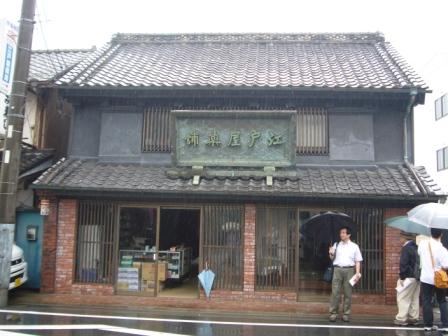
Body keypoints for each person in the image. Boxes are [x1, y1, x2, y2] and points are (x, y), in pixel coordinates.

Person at [328, 226, 363, 322]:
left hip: (349, 271)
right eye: (340, 233)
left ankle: (346, 314)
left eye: (343, 233)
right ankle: (333, 313)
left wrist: (357, 273)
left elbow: (358, 261)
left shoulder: (354, 246)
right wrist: (330, 253)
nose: (341, 234)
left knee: (348, 293)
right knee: (335, 292)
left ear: (349, 234)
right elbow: (332, 258)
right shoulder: (336, 244)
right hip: (337, 270)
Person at [418, 228, 448, 331]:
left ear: (430, 233)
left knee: (426, 301)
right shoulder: (442, 249)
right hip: (439, 278)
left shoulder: (422, 244)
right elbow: (446, 266)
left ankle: (428, 325)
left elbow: (419, 254)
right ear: (441, 235)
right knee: (442, 300)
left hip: (425, 278)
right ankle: (445, 325)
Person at [394, 231, 420, 326]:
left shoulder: (406, 248)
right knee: (414, 298)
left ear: (404, 238)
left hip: (408, 277)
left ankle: (401, 318)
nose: (400, 239)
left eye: (400, 237)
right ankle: (414, 318)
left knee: (403, 297)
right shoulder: (416, 247)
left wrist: (402, 277)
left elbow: (403, 264)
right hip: (417, 277)